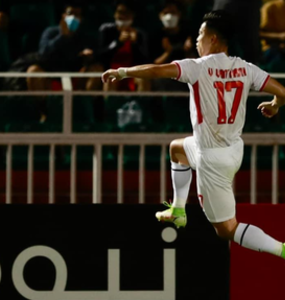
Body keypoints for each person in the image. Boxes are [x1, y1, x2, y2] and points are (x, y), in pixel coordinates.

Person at [102, 11, 285, 259]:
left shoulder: (196, 68)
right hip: (230, 149)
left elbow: (156, 71)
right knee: (177, 149)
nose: (197, 40)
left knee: (227, 230)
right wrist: (275, 104)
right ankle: (178, 210)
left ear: (213, 39)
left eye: (200, 35)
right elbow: (281, 91)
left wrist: (122, 71)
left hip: (212, 160)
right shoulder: (245, 68)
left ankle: (281, 249)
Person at [97, 0, 150, 92]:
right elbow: (101, 56)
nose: (123, 16)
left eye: (127, 13)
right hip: (111, 70)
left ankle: (140, 106)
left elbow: (145, 59)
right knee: (110, 80)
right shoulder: (106, 30)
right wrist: (118, 42)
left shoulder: (139, 34)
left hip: (133, 71)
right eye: (120, 12)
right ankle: (110, 106)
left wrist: (135, 43)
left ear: (132, 15)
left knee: (143, 80)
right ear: (115, 14)